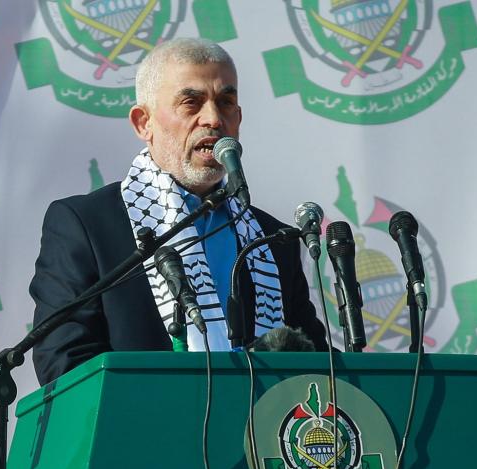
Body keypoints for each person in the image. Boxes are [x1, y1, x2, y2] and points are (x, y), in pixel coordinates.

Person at [30, 38, 327, 386]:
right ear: (144, 123)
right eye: (191, 102)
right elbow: (64, 363)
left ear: (239, 118)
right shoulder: (88, 225)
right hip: (147, 433)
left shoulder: (272, 238)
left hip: (261, 434)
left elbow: (316, 367)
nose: (214, 119)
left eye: (226, 102)